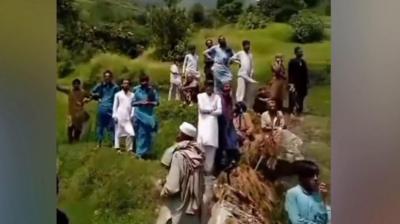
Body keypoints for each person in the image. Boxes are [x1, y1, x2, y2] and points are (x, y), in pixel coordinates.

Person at [157, 122, 204, 224]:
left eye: (180, 133)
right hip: (193, 209)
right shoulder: (199, 155)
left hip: (177, 207)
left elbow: (173, 187)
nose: (177, 135)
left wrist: (163, 189)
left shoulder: (179, 156)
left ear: (183, 135)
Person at [196, 80, 222, 224]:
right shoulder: (200, 96)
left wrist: (210, 110)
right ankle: (201, 172)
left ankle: (209, 173)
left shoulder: (217, 97)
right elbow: (202, 109)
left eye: (211, 86)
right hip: (203, 126)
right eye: (208, 86)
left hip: (213, 127)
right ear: (205, 87)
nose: (209, 88)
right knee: (201, 149)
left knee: (211, 150)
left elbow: (220, 111)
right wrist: (211, 110)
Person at [132, 74, 160, 159]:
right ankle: (139, 153)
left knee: (148, 134)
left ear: (148, 81)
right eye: (142, 81)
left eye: (145, 81)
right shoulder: (137, 91)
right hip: (139, 115)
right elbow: (133, 103)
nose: (144, 83)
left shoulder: (152, 91)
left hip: (148, 115)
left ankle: (146, 152)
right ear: (140, 82)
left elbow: (157, 102)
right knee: (141, 134)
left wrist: (149, 103)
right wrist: (140, 102)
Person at [215, 82, 240, 175]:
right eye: (225, 86)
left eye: (229, 87)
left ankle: (230, 163)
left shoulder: (229, 98)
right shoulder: (219, 98)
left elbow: (231, 109)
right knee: (221, 145)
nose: (227, 88)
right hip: (221, 124)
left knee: (232, 142)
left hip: (229, 123)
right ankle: (218, 167)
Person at [90, 71, 120, 148]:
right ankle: (99, 143)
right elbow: (92, 92)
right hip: (102, 108)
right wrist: (98, 96)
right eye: (105, 77)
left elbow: (118, 98)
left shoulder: (115, 87)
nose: (107, 78)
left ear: (111, 78)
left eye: (108, 77)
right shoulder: (101, 86)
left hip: (111, 108)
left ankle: (114, 143)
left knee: (112, 127)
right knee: (100, 126)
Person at [56, 79, 90, 143]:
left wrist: (86, 100)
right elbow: (60, 88)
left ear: (79, 85)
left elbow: (90, 96)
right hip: (71, 112)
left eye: (77, 84)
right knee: (70, 126)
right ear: (73, 85)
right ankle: (70, 140)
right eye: (75, 84)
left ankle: (76, 139)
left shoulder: (83, 92)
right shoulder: (69, 91)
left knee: (78, 127)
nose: (76, 85)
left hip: (80, 112)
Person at [230, 40, 256, 104]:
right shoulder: (240, 53)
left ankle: (245, 106)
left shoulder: (250, 54)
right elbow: (232, 59)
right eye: (246, 45)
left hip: (248, 75)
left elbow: (252, 65)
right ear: (243, 46)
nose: (247, 46)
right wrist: (239, 62)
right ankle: (239, 104)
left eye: (248, 45)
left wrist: (251, 73)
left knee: (247, 92)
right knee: (241, 91)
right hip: (241, 74)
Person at [112, 79, 135, 154]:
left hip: (128, 117)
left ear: (129, 85)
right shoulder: (118, 94)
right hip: (119, 116)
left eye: (127, 83)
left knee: (131, 133)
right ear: (122, 85)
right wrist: (114, 116)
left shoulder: (132, 95)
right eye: (124, 83)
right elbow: (115, 106)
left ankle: (129, 149)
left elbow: (133, 106)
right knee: (118, 132)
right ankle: (117, 147)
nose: (125, 85)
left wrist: (132, 114)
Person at [288, 47, 309, 116]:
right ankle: (293, 109)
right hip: (294, 82)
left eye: (301, 51)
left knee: (302, 96)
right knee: (294, 96)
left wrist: (307, 82)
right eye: (299, 52)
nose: (301, 53)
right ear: (296, 53)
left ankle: (300, 109)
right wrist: (291, 82)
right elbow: (290, 73)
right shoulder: (292, 61)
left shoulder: (303, 61)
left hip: (302, 83)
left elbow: (305, 73)